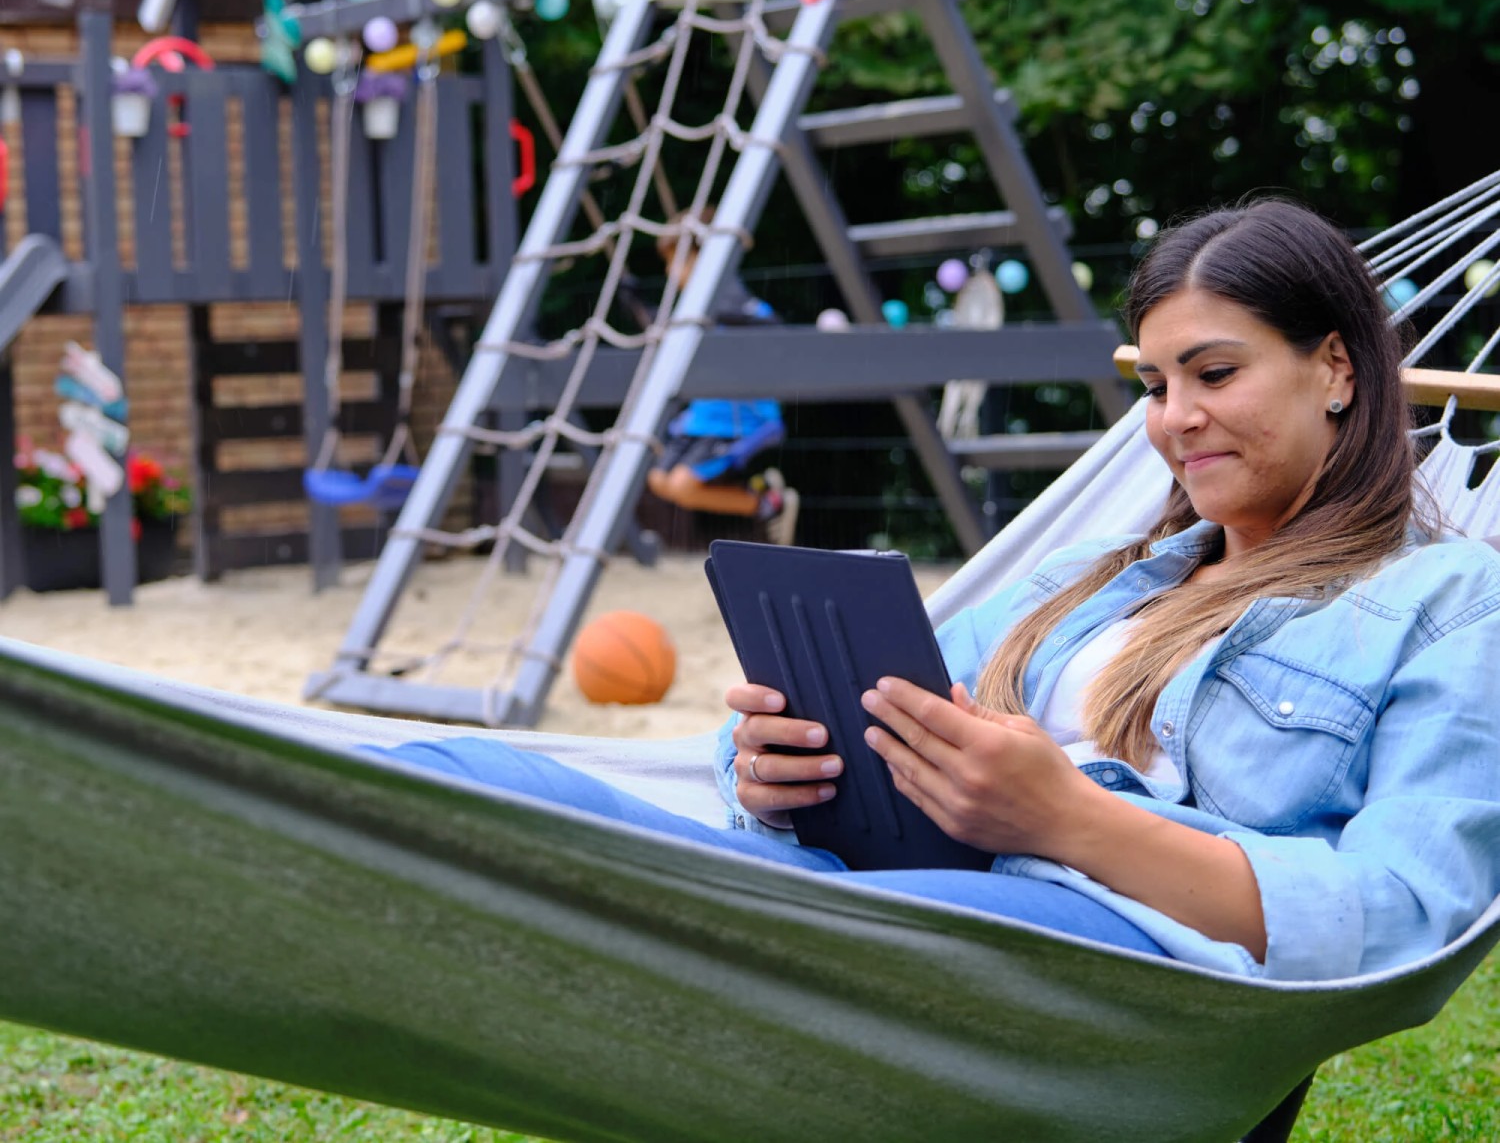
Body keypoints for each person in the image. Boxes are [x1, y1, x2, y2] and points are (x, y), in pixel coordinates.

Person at [377, 198, 1500, 980]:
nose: (1173, 418)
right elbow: (882, 716)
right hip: (875, 889)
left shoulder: (1447, 601)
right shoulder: (1084, 578)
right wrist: (772, 769)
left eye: (1215, 373)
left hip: (1083, 957)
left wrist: (1070, 820)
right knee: (456, 777)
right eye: (1154, 385)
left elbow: (1402, 917)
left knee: (762, 926)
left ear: (1339, 368)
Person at [627, 210, 800, 545]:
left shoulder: (729, 295)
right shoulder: (695, 305)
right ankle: (762, 492)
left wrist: (725, 319)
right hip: (703, 417)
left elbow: (770, 327)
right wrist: (638, 306)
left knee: (681, 485)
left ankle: (769, 502)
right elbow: (671, 341)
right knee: (659, 480)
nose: (670, 271)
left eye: (674, 261)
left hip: (741, 418)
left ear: (699, 257)